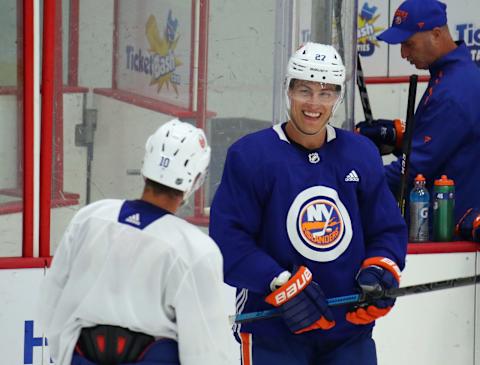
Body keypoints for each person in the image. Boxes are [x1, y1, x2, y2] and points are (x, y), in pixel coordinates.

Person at [209, 42, 408, 365]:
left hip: (347, 332)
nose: (314, 104)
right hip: (272, 330)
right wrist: (280, 282)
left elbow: (386, 229)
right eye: (305, 90)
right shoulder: (250, 155)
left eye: (326, 93)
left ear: (338, 98)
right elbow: (228, 244)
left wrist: (381, 269)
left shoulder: (360, 153)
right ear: (288, 91)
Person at [37, 119, 236, 365]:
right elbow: (207, 354)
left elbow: (51, 305)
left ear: (145, 165)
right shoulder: (195, 249)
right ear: (196, 180)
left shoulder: (90, 218)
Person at [356, 0, 480, 228]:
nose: (403, 54)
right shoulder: (451, 75)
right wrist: (398, 137)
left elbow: (413, 167)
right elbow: (441, 145)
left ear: (435, 34)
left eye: (408, 44)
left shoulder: (454, 89)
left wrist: (353, 181)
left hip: (447, 232)